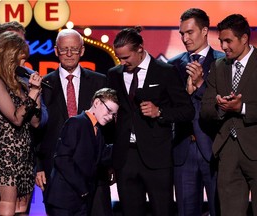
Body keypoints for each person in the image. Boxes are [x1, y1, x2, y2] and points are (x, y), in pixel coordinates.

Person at [107, 26, 195, 216]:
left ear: (140, 48)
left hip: (157, 159)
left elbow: (186, 111)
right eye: (119, 58)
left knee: (162, 210)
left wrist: (159, 112)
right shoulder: (114, 74)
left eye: (126, 58)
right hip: (125, 158)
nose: (122, 62)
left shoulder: (165, 72)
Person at [0, 21, 48, 216]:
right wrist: (0, 119)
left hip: (24, 158)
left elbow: (39, 120)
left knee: (21, 211)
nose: (23, 60)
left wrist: (34, 92)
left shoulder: (27, 77)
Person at [34, 29, 113, 215]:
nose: (69, 54)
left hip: (94, 170)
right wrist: (38, 167)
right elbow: (36, 129)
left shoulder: (99, 81)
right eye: (64, 49)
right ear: (56, 51)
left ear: (82, 51)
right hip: (56, 171)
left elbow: (109, 128)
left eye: (74, 50)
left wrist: (109, 164)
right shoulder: (43, 85)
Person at [167, 8, 224, 216]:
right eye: (182, 33)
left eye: (189, 32)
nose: (185, 38)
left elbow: (223, 106)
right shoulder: (173, 66)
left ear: (205, 30)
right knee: (186, 210)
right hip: (183, 149)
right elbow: (169, 109)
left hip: (213, 148)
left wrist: (200, 86)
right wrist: (185, 93)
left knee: (220, 208)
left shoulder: (222, 63)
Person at [200, 14, 257, 216]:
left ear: (244, 38)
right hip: (228, 153)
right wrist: (221, 107)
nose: (223, 46)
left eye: (228, 41)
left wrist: (242, 108)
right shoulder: (218, 66)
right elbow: (206, 107)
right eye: (221, 41)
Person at [44, 88, 118, 216]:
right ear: (96, 103)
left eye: (114, 114)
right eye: (109, 111)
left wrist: (125, 144)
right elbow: (62, 158)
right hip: (64, 200)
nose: (110, 117)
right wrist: (83, 189)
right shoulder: (76, 123)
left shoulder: (97, 130)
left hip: (80, 201)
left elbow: (102, 156)